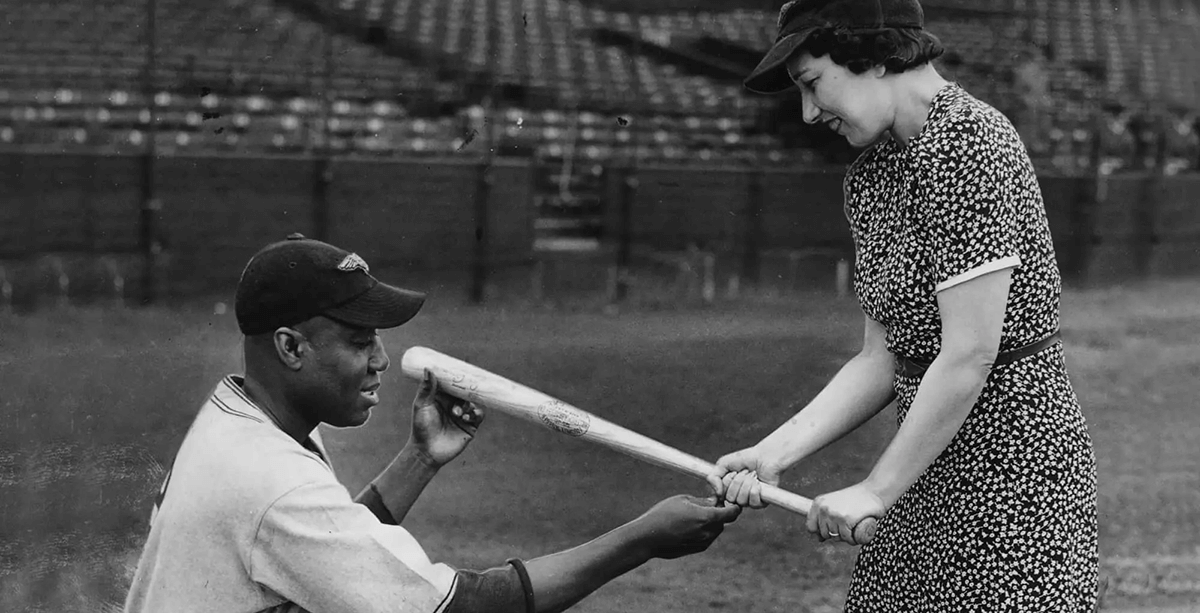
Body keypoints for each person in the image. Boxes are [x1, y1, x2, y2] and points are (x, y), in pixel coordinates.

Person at [707, 0, 1099, 611]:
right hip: (921, 468)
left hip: (1013, 475)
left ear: (872, 54)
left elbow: (970, 353)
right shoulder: (872, 176)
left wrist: (875, 488)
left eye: (812, 85)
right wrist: (774, 453)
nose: (809, 114)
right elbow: (881, 356)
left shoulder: (969, 142)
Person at [123, 233, 741, 613]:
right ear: (290, 347)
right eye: (360, 340)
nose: (381, 361)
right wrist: (641, 538)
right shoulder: (267, 477)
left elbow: (326, 554)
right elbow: (460, 608)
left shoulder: (243, 418)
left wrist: (420, 457)